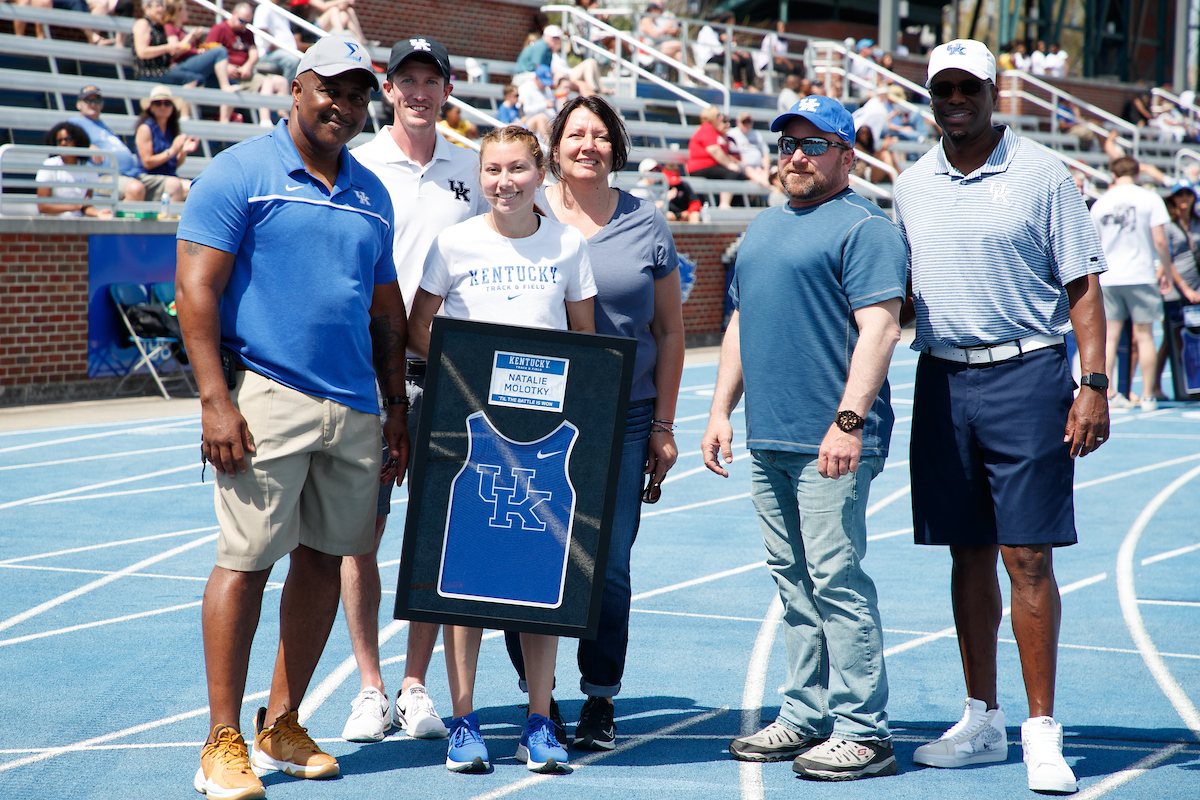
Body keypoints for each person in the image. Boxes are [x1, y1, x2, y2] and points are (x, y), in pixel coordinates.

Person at [176, 35, 402, 800]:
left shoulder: (373, 191)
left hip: (356, 405)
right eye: (330, 89)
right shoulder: (241, 172)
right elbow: (196, 289)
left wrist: (395, 407)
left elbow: (384, 312)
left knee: (324, 560)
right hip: (266, 396)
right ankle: (221, 740)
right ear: (296, 90)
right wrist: (215, 400)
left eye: (359, 93)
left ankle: (282, 720)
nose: (345, 104)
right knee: (246, 561)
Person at [892, 40, 1109, 795]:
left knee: (1029, 558)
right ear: (929, 96)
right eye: (942, 88)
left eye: (968, 86)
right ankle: (981, 717)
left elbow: (1082, 288)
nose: (955, 98)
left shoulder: (1043, 173)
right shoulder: (911, 184)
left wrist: (1095, 382)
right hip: (943, 379)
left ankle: (1041, 733)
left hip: (1027, 374)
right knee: (966, 554)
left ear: (994, 90)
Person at [703, 94, 906, 781]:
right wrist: (720, 411)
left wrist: (848, 421)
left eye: (812, 145)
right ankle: (805, 713)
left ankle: (863, 729)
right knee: (793, 583)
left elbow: (880, 328)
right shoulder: (760, 230)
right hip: (772, 438)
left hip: (834, 441)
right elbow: (738, 326)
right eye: (786, 143)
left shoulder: (866, 229)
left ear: (846, 155)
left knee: (835, 581)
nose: (795, 156)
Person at [406, 125, 597, 774]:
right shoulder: (454, 242)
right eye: (492, 170)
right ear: (480, 174)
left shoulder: (568, 245)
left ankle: (540, 720)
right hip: (470, 438)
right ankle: (464, 721)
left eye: (517, 168)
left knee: (538, 583)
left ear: (539, 172)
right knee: (466, 585)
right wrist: (470, 378)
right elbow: (417, 328)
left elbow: (587, 345)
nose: (504, 181)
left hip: (542, 442)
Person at [496, 96, 684, 752]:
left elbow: (669, 332)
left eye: (600, 135)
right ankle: (537, 697)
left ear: (616, 146)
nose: (588, 144)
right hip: (535, 412)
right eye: (576, 133)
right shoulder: (528, 207)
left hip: (626, 418)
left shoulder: (645, 223)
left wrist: (663, 423)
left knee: (609, 565)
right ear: (555, 146)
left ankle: (600, 696)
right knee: (525, 551)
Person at [345, 35, 488, 745]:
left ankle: (415, 683)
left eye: (432, 80)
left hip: (446, 377)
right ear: (389, 89)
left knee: (435, 535)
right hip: (369, 376)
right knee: (358, 533)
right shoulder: (360, 163)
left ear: (447, 89)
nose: (420, 92)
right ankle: (368, 685)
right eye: (408, 80)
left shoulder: (473, 169)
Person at [1091, 156, 1175, 411]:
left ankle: (1110, 393)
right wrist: (1167, 270)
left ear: (1113, 174)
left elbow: (1093, 243)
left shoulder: (1100, 203)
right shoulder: (1149, 198)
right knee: (1145, 336)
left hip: (1109, 277)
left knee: (1109, 338)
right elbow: (1160, 241)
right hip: (1140, 274)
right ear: (1137, 173)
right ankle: (1148, 394)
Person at [206, 3, 291, 126]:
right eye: (241, 20)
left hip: (246, 74)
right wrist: (227, 67)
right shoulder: (219, 29)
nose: (244, 25)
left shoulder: (247, 32)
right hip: (228, 77)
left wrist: (248, 66)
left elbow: (253, 52)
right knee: (266, 83)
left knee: (281, 82)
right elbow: (210, 53)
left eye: (247, 22)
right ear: (233, 14)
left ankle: (283, 119)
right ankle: (265, 121)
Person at [1154, 182, 1200, 397]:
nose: (1183, 197)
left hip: (1196, 287)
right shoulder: (1168, 224)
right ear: (1172, 198)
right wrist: (1183, 287)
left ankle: (1193, 385)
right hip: (1176, 288)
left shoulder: (1196, 222)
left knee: (1194, 337)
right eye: (1179, 194)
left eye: (1187, 193)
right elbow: (1166, 260)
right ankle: (1154, 385)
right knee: (1171, 338)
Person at [161, 0, 239, 122]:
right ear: (178, 11)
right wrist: (190, 37)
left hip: (192, 67)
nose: (188, 12)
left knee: (234, 84)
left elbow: (188, 51)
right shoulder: (170, 27)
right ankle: (225, 87)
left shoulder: (183, 29)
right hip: (179, 68)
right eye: (186, 9)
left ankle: (224, 123)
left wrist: (199, 51)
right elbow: (174, 51)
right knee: (220, 51)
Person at [67, 85, 147, 202]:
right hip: (102, 178)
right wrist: (86, 146)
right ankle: (120, 220)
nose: (93, 103)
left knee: (175, 186)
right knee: (136, 189)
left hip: (131, 174)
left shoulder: (104, 126)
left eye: (97, 100)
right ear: (79, 104)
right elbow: (64, 141)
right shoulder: (75, 122)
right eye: (88, 100)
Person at [135, 85, 197, 203]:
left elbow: (173, 164)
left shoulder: (171, 129)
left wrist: (183, 152)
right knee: (181, 186)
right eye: (158, 103)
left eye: (167, 103)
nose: (163, 106)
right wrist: (172, 150)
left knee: (195, 189)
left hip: (168, 178)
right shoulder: (145, 129)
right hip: (148, 179)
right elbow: (147, 163)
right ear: (151, 107)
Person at [36, 122, 111, 218]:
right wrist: (73, 207)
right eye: (59, 141)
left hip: (78, 224)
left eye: (67, 139)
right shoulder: (49, 165)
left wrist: (98, 213)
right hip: (53, 226)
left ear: (76, 141)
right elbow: (43, 207)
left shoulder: (88, 169)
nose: (63, 143)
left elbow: (85, 206)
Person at [686, 106, 747, 209]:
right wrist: (729, 165)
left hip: (710, 166)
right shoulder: (707, 128)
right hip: (701, 167)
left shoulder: (713, 131)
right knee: (731, 173)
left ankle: (736, 205)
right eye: (719, 115)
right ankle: (724, 204)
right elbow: (714, 150)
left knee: (740, 175)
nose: (721, 117)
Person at [254, 0, 302, 82]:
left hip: (286, 52)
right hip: (268, 54)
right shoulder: (264, 7)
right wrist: (276, 45)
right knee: (293, 60)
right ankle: (289, 92)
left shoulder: (280, 9)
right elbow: (262, 30)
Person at [726, 111, 772, 187]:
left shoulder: (756, 134)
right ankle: (769, 187)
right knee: (750, 171)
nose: (747, 124)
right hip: (744, 167)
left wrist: (766, 169)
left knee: (775, 171)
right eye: (744, 122)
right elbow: (730, 154)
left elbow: (765, 154)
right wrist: (741, 164)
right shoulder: (732, 134)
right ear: (738, 123)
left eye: (749, 121)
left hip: (759, 168)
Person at [516, 64, 555, 140]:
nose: (545, 85)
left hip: (548, 123)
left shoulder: (547, 89)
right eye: (543, 81)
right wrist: (544, 105)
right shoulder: (526, 87)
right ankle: (548, 144)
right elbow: (525, 110)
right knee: (541, 117)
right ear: (536, 78)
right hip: (528, 123)